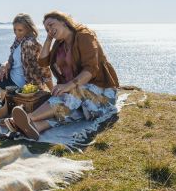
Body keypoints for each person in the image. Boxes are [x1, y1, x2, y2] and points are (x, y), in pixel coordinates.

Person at [7, 10, 119, 141]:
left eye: (51, 24)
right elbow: (42, 62)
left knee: (73, 92)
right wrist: (49, 39)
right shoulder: (59, 43)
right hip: (83, 102)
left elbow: (91, 69)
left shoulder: (84, 36)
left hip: (103, 96)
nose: (50, 29)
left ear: (64, 22)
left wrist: (68, 85)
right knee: (69, 107)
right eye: (46, 28)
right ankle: (38, 126)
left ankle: (28, 118)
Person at [0, 13, 52, 91]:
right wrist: (6, 64)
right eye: (15, 30)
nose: (17, 33)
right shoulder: (19, 40)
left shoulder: (30, 44)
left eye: (20, 30)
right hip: (8, 75)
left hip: (15, 85)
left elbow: (43, 68)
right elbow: (13, 57)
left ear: (29, 29)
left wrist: (52, 91)